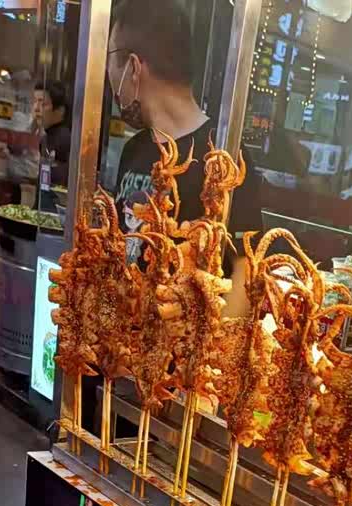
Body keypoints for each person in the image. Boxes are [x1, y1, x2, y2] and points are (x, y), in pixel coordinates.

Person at [106, 0, 261, 315]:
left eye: (110, 61)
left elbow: (247, 272)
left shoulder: (223, 156)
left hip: (184, 340)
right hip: (123, 335)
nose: (108, 78)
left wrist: (208, 340)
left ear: (133, 68)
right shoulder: (134, 149)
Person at [33, 80, 71, 187]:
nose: (36, 108)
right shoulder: (45, 138)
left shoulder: (65, 140)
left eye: (43, 104)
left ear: (60, 110)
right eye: (35, 101)